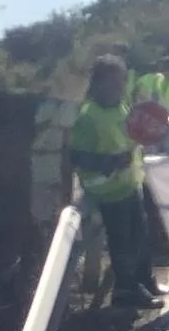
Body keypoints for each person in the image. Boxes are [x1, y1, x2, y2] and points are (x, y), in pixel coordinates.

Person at [69, 56, 163, 309]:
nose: (118, 88)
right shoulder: (88, 116)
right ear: (98, 84)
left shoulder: (121, 106)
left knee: (141, 235)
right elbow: (78, 156)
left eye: (121, 82)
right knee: (122, 242)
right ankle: (126, 290)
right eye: (112, 83)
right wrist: (109, 162)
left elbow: (132, 135)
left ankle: (146, 281)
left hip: (130, 182)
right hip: (108, 189)